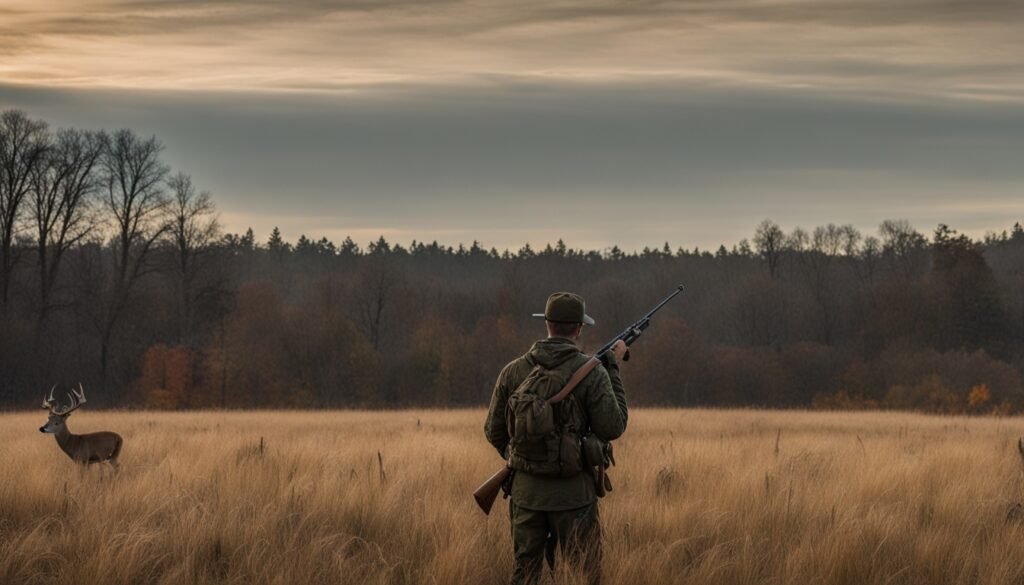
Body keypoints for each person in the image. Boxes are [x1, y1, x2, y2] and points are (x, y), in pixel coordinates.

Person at [484, 291, 628, 585]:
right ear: (578, 329)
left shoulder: (513, 371)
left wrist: (524, 458)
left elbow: (493, 431)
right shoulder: (594, 372)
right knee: (584, 575)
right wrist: (613, 367)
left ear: (547, 324)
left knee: (525, 575)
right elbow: (613, 426)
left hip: (526, 496)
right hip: (575, 496)